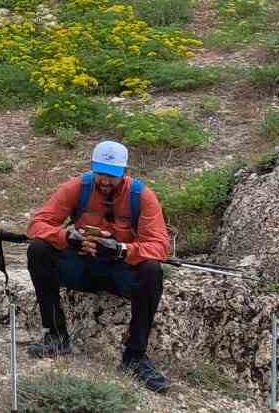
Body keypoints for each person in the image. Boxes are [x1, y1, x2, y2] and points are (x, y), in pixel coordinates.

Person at [25, 140, 172, 393]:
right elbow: (37, 225)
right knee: (38, 250)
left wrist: (121, 250)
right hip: (81, 268)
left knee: (151, 270)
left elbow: (159, 246)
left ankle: (134, 357)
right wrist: (67, 238)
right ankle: (56, 337)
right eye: (100, 172)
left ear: (124, 173)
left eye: (112, 175)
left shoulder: (142, 197)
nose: (104, 180)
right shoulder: (76, 188)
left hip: (119, 272)